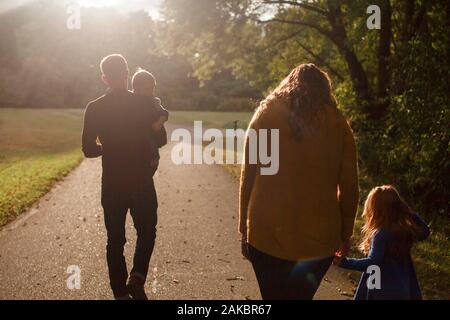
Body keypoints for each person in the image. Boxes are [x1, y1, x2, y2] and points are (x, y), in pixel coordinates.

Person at [239, 63, 359, 300]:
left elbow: (249, 174)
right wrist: (346, 234)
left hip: (265, 234)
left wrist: (244, 226)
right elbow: (349, 187)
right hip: (318, 241)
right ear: (324, 89)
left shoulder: (267, 113)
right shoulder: (337, 123)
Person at [82, 54, 167, 300]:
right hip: (141, 180)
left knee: (115, 239)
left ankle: (120, 293)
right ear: (127, 74)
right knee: (147, 231)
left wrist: (108, 147)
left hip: (112, 183)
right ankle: (137, 276)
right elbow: (161, 139)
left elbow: (88, 150)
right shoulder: (143, 103)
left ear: (104, 78)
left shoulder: (95, 107)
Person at [336, 185, 430, 300]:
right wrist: (408, 212)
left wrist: (344, 262)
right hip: (402, 289)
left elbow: (373, 263)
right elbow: (425, 231)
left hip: (381, 289)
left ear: (374, 210)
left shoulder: (381, 235)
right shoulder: (404, 232)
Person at [131, 68, 169, 173]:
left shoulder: (153, 101)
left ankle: (153, 161)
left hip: (152, 132)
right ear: (136, 88)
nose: (151, 92)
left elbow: (164, 113)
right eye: (147, 89)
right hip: (138, 134)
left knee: (151, 146)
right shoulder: (130, 100)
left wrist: (160, 122)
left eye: (153, 88)